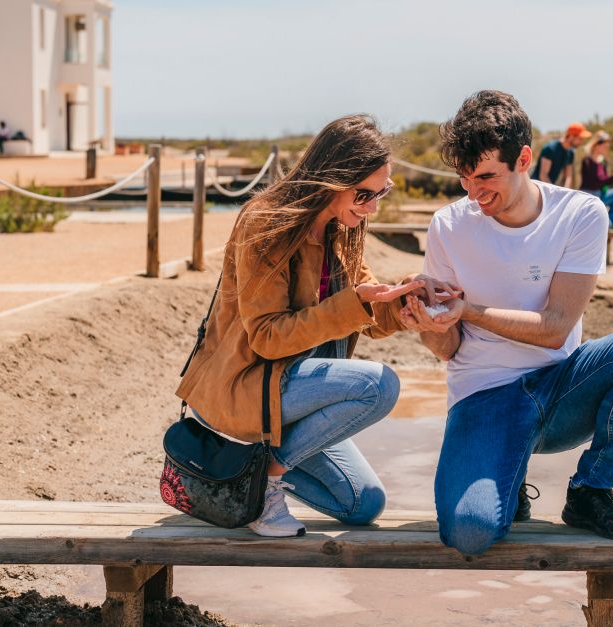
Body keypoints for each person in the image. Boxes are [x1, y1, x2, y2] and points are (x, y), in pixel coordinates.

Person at [403, 90, 613, 556]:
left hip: (562, 388)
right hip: (483, 394)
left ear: (524, 159)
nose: (474, 193)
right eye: (465, 179)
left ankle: (591, 489)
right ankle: (509, 481)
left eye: (486, 177)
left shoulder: (581, 214)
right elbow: (449, 348)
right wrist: (429, 326)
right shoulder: (447, 225)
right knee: (468, 534)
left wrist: (469, 311)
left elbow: (554, 329)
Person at [176, 114, 456, 537]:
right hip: (250, 385)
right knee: (379, 386)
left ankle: (246, 475)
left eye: (382, 192)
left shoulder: (341, 228)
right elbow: (267, 338)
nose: (373, 207)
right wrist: (354, 303)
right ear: (333, 178)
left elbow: (365, 308)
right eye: (364, 194)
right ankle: (266, 483)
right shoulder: (267, 222)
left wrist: (407, 300)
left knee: (363, 504)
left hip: (293, 393)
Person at [579, 131, 613, 228]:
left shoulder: (603, 162)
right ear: (596, 145)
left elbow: (604, 181)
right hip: (590, 196)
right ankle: (608, 223)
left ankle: (612, 221)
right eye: (604, 146)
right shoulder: (587, 161)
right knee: (603, 225)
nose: (606, 149)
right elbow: (593, 183)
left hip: (602, 194)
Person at [532, 121, 590, 188]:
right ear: (571, 136)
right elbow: (543, 175)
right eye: (580, 138)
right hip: (536, 187)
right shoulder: (550, 149)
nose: (581, 142)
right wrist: (554, 191)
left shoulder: (570, 153)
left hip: (550, 187)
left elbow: (568, 176)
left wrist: (566, 190)